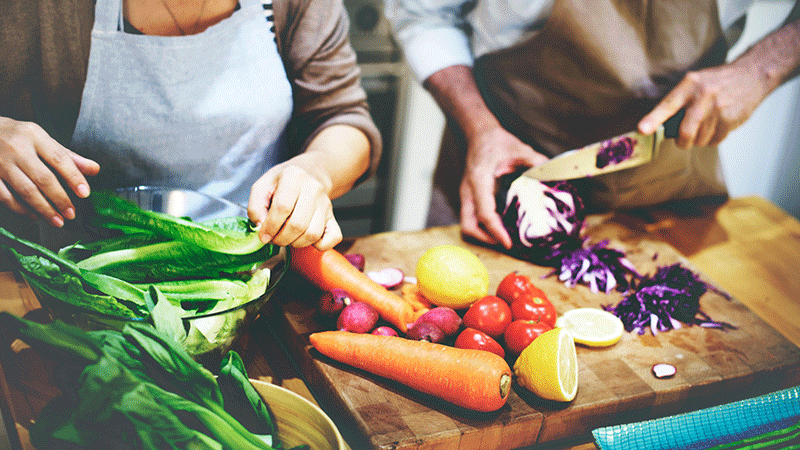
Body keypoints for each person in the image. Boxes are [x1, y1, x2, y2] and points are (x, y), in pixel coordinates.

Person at [385, 0, 800, 249]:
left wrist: (761, 69)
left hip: (673, 173)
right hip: (499, 162)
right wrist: (479, 127)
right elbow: (424, 14)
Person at [0, 0, 381, 251]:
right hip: (84, 281)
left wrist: (314, 169)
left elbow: (343, 118)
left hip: (252, 275)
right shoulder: (37, 10)